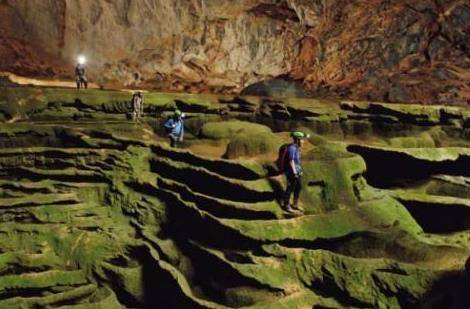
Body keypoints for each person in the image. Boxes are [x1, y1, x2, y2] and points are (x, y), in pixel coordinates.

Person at [282, 131, 308, 213]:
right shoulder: (292, 148)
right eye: (302, 140)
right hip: (291, 172)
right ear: (297, 140)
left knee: (298, 187)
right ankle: (286, 205)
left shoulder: (297, 148)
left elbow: (297, 162)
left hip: (297, 172)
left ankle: (295, 204)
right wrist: (294, 172)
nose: (303, 141)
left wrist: (299, 171)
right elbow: (291, 161)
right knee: (290, 188)